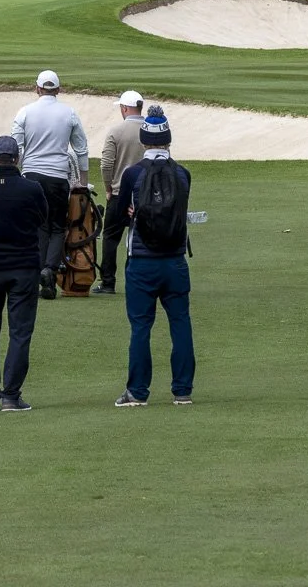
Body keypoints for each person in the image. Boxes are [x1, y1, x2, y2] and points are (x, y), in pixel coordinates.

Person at [113, 107, 195, 407]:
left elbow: (120, 214)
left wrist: (133, 214)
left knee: (141, 328)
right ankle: (182, 390)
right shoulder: (182, 174)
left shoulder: (133, 174)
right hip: (174, 261)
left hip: (142, 263)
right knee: (180, 323)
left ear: (144, 140)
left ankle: (137, 391)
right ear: (168, 140)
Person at [0, 135, 47, 412]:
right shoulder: (32, 189)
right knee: (20, 331)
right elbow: (42, 218)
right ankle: (11, 395)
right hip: (23, 267)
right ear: (16, 159)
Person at [10, 70, 89, 301]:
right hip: (57, 177)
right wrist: (82, 182)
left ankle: (38, 273)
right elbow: (81, 149)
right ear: (58, 90)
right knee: (56, 226)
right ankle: (50, 271)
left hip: (31, 176)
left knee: (37, 226)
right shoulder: (69, 113)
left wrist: (18, 173)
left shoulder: (25, 112)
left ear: (37, 89)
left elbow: (17, 148)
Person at [92, 91, 145, 295]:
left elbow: (106, 164)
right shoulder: (150, 129)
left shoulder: (116, 131)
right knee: (141, 235)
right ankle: (136, 280)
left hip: (118, 193)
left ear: (124, 108)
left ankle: (108, 282)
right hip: (144, 193)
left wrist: (108, 187)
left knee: (111, 237)